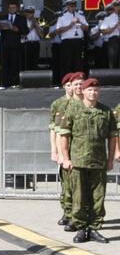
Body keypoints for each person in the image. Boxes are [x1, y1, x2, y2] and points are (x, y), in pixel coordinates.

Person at [58, 77, 116, 244]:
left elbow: (112, 137)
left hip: (98, 162)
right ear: (82, 91)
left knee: (98, 198)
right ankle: (82, 229)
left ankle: (94, 228)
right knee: (79, 197)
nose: (93, 92)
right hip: (78, 162)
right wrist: (66, 158)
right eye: (89, 90)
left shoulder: (105, 111)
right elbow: (64, 135)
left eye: (96, 90)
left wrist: (110, 159)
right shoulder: (73, 109)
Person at [55, 72, 85, 232]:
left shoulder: (89, 104)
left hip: (83, 153)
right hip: (69, 152)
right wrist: (60, 154)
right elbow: (59, 133)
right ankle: (69, 213)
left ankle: (80, 217)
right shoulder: (64, 106)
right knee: (68, 187)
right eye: (75, 85)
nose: (79, 88)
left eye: (81, 84)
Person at [50, 73, 75, 227]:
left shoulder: (83, 103)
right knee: (66, 184)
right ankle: (67, 211)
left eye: (76, 84)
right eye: (69, 85)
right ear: (65, 86)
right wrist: (55, 151)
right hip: (64, 148)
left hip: (79, 150)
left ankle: (76, 214)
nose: (72, 88)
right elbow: (55, 131)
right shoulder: (58, 104)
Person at [55, 0, 89, 79]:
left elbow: (86, 28)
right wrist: (70, 25)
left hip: (78, 41)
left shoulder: (80, 16)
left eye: (74, 5)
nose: (73, 7)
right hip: (67, 42)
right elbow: (58, 30)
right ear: (67, 6)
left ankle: (78, 79)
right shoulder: (62, 17)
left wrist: (79, 22)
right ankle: (67, 80)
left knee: (78, 62)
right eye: (71, 5)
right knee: (67, 62)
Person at [0, 2, 28, 87]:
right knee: (5, 64)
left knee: (15, 64)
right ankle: (5, 83)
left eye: (13, 8)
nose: (11, 9)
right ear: (8, 8)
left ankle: (15, 83)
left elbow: (26, 31)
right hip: (4, 45)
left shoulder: (21, 18)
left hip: (16, 45)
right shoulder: (2, 18)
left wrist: (17, 29)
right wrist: (0, 28)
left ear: (16, 9)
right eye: (10, 8)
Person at [22, 6, 43, 71]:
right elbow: (23, 34)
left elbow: (41, 35)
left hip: (36, 43)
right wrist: (32, 26)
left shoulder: (36, 21)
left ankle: (35, 77)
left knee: (35, 61)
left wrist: (36, 26)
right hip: (26, 44)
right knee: (27, 62)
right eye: (29, 12)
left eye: (32, 12)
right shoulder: (23, 22)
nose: (31, 14)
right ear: (25, 13)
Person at [101, 0, 120, 69]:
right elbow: (103, 31)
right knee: (113, 60)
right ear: (114, 7)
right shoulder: (108, 18)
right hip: (114, 40)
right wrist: (115, 26)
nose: (118, 7)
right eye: (117, 5)